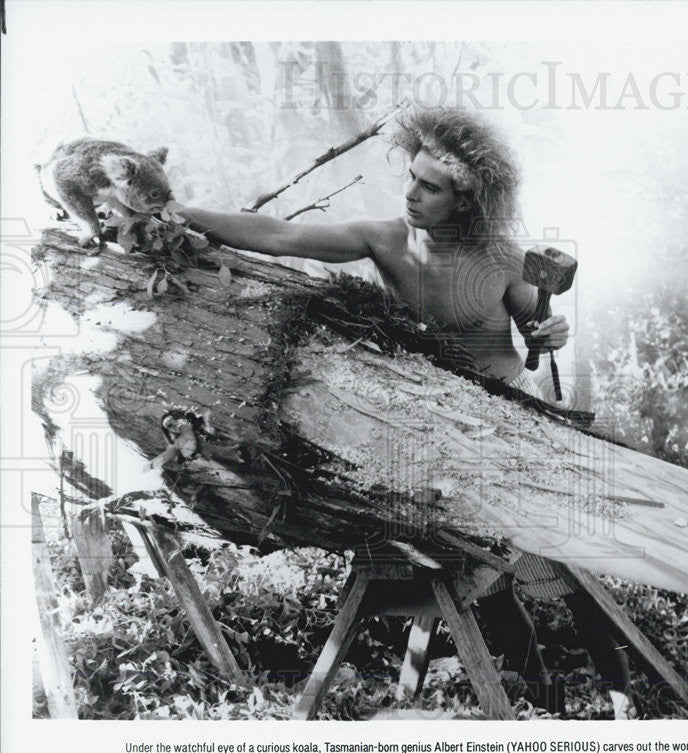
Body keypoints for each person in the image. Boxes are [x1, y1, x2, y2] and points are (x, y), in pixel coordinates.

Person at [176, 106, 633, 719]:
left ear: (466, 201)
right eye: (411, 177)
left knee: (572, 576)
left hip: (523, 428)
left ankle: (625, 700)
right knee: (489, 583)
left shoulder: (500, 259)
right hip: (450, 438)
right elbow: (277, 235)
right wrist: (174, 213)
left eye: (431, 186)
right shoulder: (385, 240)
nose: (412, 194)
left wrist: (549, 331)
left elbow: (536, 339)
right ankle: (543, 696)